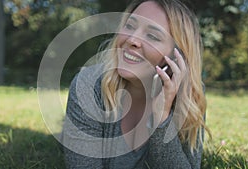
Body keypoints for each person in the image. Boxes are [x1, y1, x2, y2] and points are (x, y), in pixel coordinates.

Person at [61, 0, 210, 168]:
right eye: (130, 26)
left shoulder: (189, 95)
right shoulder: (88, 85)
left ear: (177, 58)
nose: (132, 39)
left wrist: (161, 119)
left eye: (152, 36)